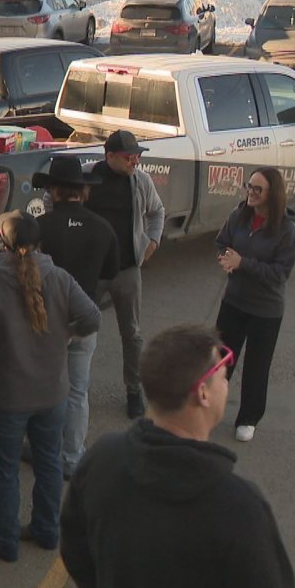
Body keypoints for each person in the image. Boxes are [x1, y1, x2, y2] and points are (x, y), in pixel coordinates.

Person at [60, 324, 295, 588]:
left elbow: (74, 547)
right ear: (202, 393)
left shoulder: (102, 458)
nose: (227, 384)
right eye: (224, 376)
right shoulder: (239, 506)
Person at [0, 211, 100, 562]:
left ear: (4, 245)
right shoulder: (59, 277)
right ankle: (46, 531)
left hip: (7, 397)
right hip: (52, 394)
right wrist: (67, 334)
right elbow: (92, 318)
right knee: (49, 464)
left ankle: (5, 541)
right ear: (39, 243)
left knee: (6, 470)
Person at [33, 156, 118, 478]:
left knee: (44, 388)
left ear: (53, 191)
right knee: (77, 392)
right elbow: (111, 273)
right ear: (82, 192)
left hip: (44, 322)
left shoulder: (39, 228)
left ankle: (45, 451)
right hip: (83, 321)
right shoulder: (103, 228)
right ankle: (71, 457)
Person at [214, 167, 295, 442]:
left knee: (257, 366)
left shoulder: (287, 230)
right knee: (220, 360)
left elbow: (279, 274)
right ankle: (208, 407)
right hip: (234, 303)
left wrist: (242, 264)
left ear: (272, 194)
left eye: (257, 189)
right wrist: (226, 258)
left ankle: (248, 418)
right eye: (248, 186)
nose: (250, 193)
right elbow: (221, 242)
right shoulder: (238, 216)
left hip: (266, 311)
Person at [85, 130, 165, 419]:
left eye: (137, 155)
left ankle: (134, 391)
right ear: (109, 157)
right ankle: (76, 388)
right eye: (128, 156)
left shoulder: (140, 181)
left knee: (131, 334)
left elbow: (157, 211)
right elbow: (56, 200)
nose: (135, 160)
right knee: (81, 330)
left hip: (127, 270)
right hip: (92, 271)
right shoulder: (88, 178)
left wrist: (153, 241)